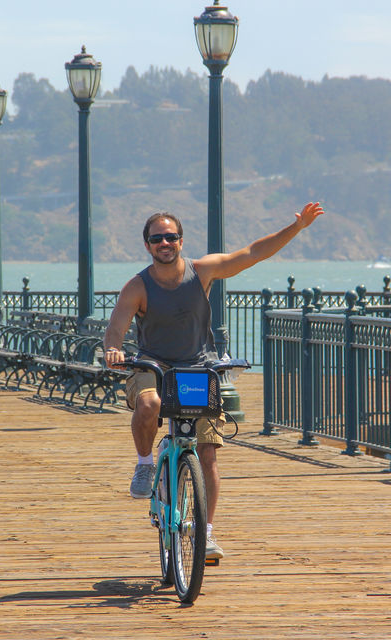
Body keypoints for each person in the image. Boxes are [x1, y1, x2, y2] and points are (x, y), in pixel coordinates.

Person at [103, 202, 325, 560]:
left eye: (170, 237)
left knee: (207, 454)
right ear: (147, 245)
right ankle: (144, 464)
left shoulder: (202, 271)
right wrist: (113, 350)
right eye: (157, 239)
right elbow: (116, 328)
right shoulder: (137, 286)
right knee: (149, 404)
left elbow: (251, 253)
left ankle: (205, 533)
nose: (164, 243)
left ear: (181, 240)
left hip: (197, 367)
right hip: (153, 365)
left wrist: (295, 228)